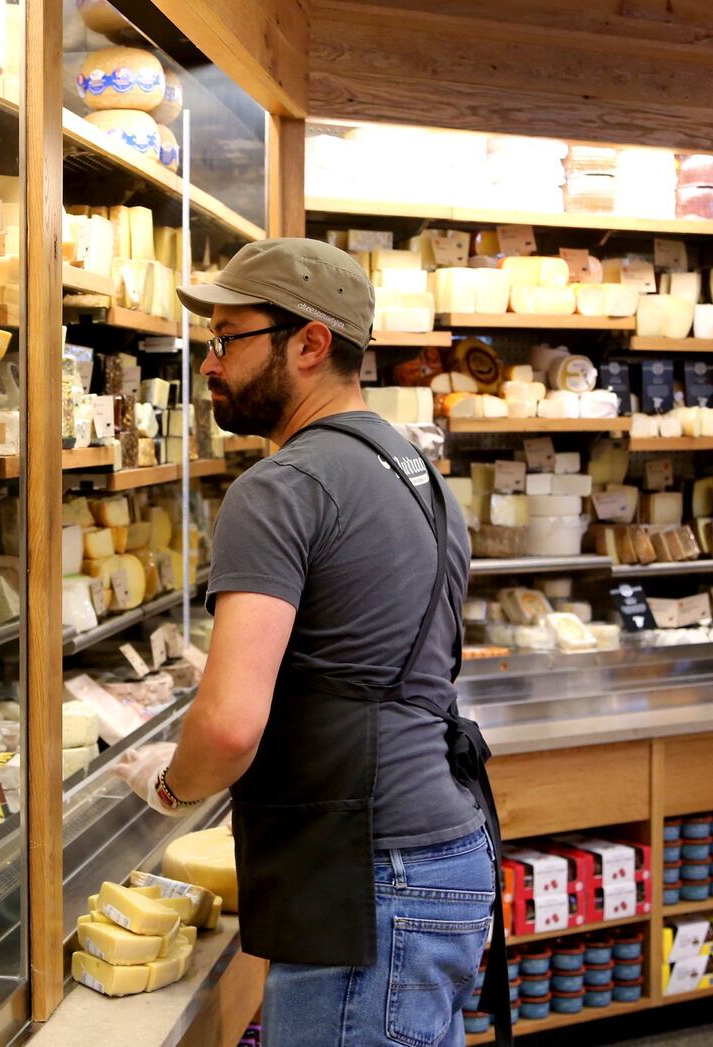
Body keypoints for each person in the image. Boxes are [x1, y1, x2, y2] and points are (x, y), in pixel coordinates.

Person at [114, 239, 510, 1046]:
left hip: (366, 880)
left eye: (228, 339)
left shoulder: (281, 487)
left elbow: (228, 727)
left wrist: (168, 787)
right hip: (442, 852)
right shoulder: (414, 470)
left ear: (310, 343)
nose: (210, 363)